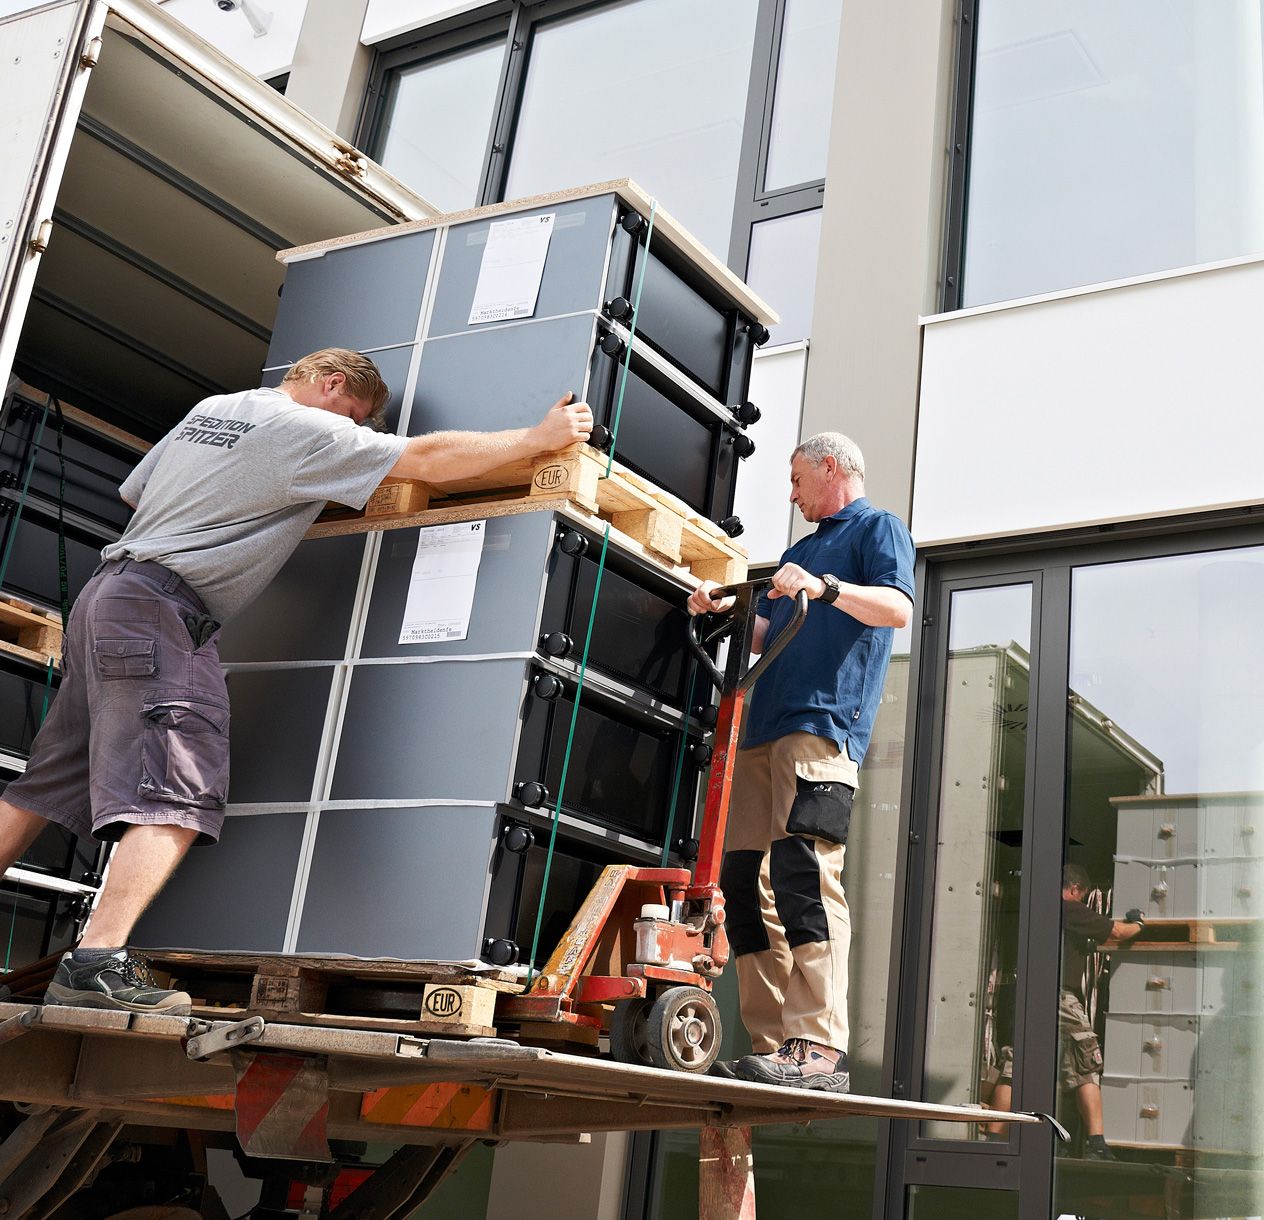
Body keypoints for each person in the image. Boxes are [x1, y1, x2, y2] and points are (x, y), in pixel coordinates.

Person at [0, 349, 593, 1015]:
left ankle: (94, 959)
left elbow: (135, 493)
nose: (359, 433)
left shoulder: (215, 409)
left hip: (107, 595)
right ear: (334, 386)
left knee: (45, 784)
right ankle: (95, 964)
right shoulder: (309, 430)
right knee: (179, 789)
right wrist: (538, 440)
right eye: (360, 418)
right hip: (164, 611)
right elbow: (422, 461)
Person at [687, 432, 913, 1091]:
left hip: (822, 725)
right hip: (762, 727)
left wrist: (828, 584)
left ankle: (815, 1050)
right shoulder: (799, 550)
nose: (790, 493)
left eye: (795, 479)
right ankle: (769, 1046)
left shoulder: (877, 529)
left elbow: (897, 608)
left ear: (830, 468)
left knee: (805, 874)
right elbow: (770, 632)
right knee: (744, 883)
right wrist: (728, 607)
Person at [1059, 864, 1145, 1158]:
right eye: (1082, 896)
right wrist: (1140, 924)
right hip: (1061, 999)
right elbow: (1120, 931)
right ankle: (1096, 1144)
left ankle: (996, 1137)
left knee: (1017, 1067)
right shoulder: (1070, 908)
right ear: (1074, 890)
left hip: (1030, 997)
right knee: (1086, 1065)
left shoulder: (1039, 909)